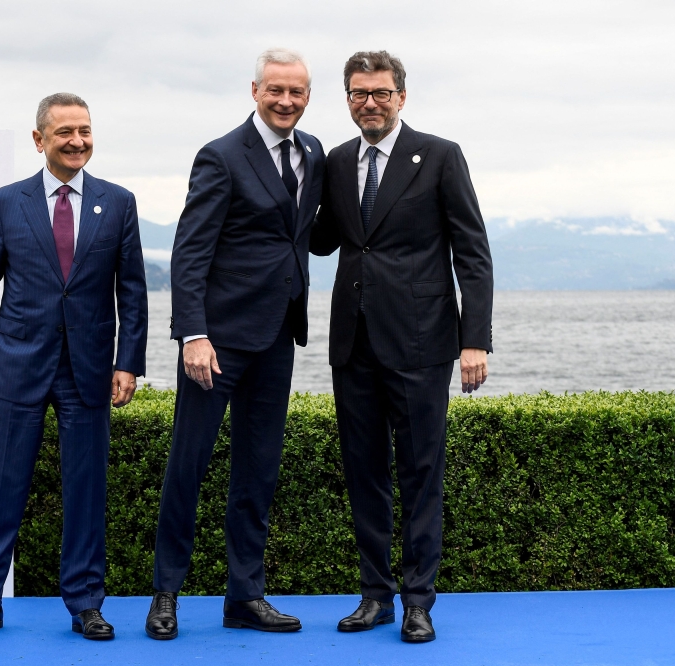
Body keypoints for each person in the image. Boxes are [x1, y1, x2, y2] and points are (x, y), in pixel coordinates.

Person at [310, 51, 493, 643]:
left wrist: (474, 341)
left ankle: (418, 601)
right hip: (353, 343)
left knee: (420, 473)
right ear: (348, 99)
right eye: (359, 93)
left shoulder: (439, 155)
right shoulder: (336, 161)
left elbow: (473, 253)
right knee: (363, 473)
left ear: (401, 97)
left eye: (381, 93)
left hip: (422, 342)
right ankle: (375, 596)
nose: (370, 103)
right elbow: (321, 239)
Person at [0, 93, 148, 641]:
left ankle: (86, 604)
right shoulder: (5, 202)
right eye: (65, 132)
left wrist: (127, 362)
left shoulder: (119, 202)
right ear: (39, 140)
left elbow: (132, 291)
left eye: (85, 130)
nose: (77, 141)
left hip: (89, 369)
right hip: (17, 365)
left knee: (86, 490)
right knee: (2, 486)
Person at [145, 48, 325, 640]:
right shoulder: (220, 155)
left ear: (307, 96)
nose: (286, 101)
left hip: (278, 336)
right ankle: (165, 594)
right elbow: (190, 250)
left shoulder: (313, 152)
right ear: (254, 91)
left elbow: (308, 234)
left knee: (259, 471)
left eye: (296, 92)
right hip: (216, 343)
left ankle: (245, 596)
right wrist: (193, 334)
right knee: (188, 466)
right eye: (276, 90)